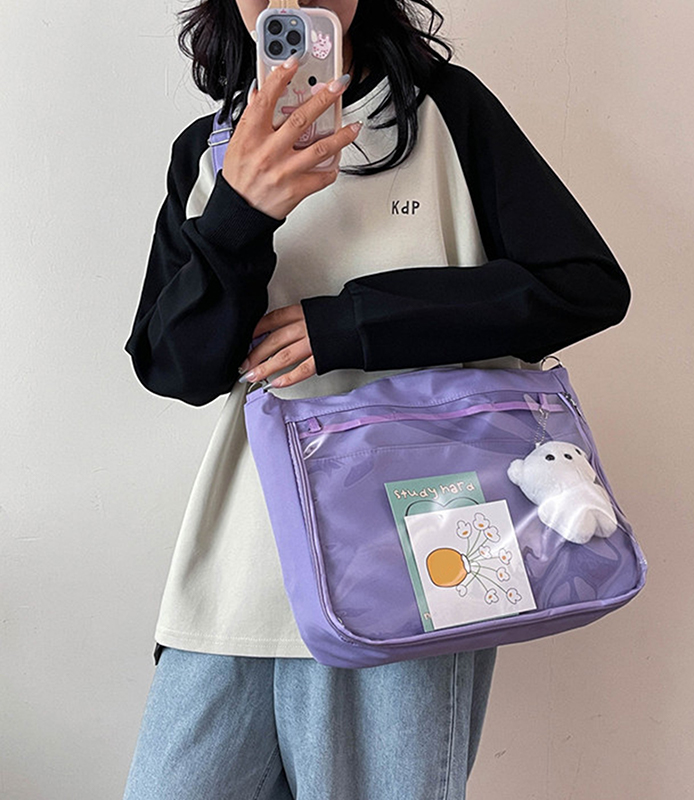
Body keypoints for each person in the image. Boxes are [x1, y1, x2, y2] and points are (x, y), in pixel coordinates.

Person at [122, 0, 631, 798]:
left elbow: (585, 286)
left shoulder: (447, 112)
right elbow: (173, 367)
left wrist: (352, 324)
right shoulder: (207, 149)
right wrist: (239, 215)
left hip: (421, 544)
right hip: (244, 555)